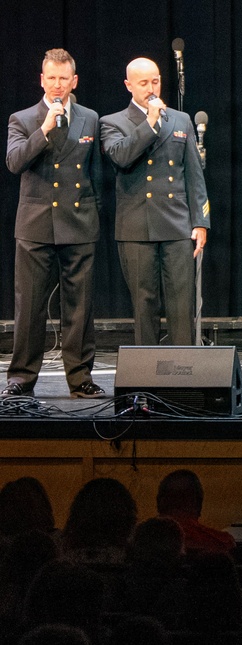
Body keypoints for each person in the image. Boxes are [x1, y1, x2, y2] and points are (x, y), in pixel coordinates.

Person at [3, 48, 104, 399]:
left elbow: (97, 172)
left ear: (74, 81)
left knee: (79, 307)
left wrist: (95, 212)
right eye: (52, 78)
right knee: (29, 306)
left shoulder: (90, 118)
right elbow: (14, 162)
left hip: (79, 222)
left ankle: (80, 377)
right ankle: (21, 378)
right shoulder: (23, 118)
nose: (58, 85)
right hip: (35, 225)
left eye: (64, 79)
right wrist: (43, 131)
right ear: (42, 80)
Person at [100, 57, 209, 347]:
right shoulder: (112, 123)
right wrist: (149, 121)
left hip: (176, 224)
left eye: (156, 81)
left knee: (180, 305)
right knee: (144, 305)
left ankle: (183, 374)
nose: (151, 88)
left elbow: (194, 176)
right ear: (128, 86)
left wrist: (200, 221)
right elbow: (122, 156)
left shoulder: (180, 119)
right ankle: (145, 378)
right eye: (144, 82)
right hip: (137, 226)